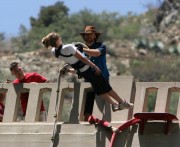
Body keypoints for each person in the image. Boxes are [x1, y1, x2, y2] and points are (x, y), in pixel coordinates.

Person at [41, 32, 133, 112]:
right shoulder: (68, 47)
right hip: (89, 70)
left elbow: (70, 58)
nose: (61, 39)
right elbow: (82, 59)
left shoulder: (54, 52)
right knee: (106, 87)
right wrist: (94, 66)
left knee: (99, 89)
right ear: (57, 40)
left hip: (83, 73)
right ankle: (121, 102)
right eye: (59, 38)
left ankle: (114, 104)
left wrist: (69, 67)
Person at [80, 26, 110, 119]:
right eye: (86, 35)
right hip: (89, 81)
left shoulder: (101, 46)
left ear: (94, 36)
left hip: (102, 78)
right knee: (87, 108)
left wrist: (81, 50)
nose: (88, 36)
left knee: (103, 108)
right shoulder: (82, 51)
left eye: (90, 34)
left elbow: (96, 53)